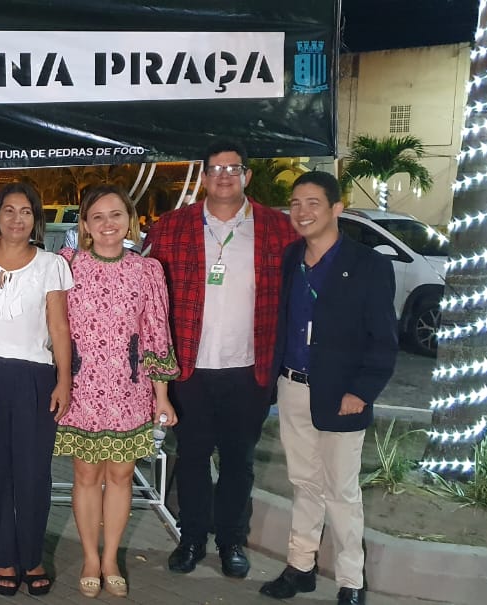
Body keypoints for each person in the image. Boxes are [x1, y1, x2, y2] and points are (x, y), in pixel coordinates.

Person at [144, 138, 297, 578]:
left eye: (233, 169)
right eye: (216, 169)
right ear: (204, 177)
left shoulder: (278, 229)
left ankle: (232, 541)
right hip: (190, 368)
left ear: (246, 175)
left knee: (239, 461)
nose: (224, 176)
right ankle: (191, 538)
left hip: (251, 368)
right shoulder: (172, 227)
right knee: (191, 457)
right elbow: (148, 294)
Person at [259, 171, 396, 605]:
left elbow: (384, 339)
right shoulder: (290, 257)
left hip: (342, 396)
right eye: (296, 203)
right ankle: (300, 566)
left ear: (337, 208)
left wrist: (362, 391)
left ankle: (351, 582)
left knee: (341, 491)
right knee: (304, 483)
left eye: (313, 203)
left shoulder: (369, 265)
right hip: (293, 387)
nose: (302, 212)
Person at [55, 186, 180, 598]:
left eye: (115, 215)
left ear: (130, 220)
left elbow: (157, 334)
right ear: (85, 225)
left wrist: (162, 395)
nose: (107, 224)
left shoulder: (147, 271)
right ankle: (90, 558)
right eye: (97, 217)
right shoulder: (67, 264)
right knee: (87, 474)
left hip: (131, 389)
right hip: (83, 389)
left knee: (122, 475)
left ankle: (111, 558)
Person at [0, 182, 73, 597]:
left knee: (33, 472)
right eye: (8, 210)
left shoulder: (51, 264)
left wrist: (64, 380)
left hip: (34, 376)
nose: (16, 219)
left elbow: (59, 326)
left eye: (25, 211)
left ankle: (32, 556)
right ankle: (3, 557)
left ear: (36, 219)